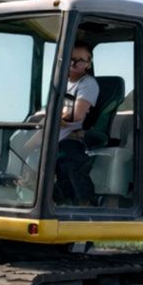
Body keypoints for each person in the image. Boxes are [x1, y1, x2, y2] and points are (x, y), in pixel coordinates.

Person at [54, 41, 101, 204]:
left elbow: (75, 115)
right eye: (71, 58)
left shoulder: (88, 84)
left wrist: (55, 118)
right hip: (53, 135)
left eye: (80, 60)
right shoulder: (60, 83)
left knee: (69, 160)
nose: (74, 63)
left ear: (88, 63)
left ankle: (85, 204)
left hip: (72, 138)